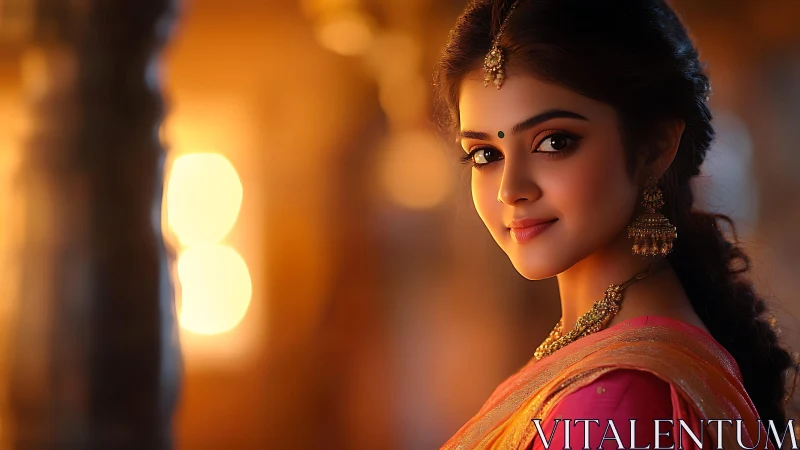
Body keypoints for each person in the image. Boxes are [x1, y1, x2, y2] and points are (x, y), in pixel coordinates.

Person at [432, 0, 799, 448]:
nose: (511, 189)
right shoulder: (607, 360)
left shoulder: (618, 399)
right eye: (486, 154)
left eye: (553, 142)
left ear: (654, 146)